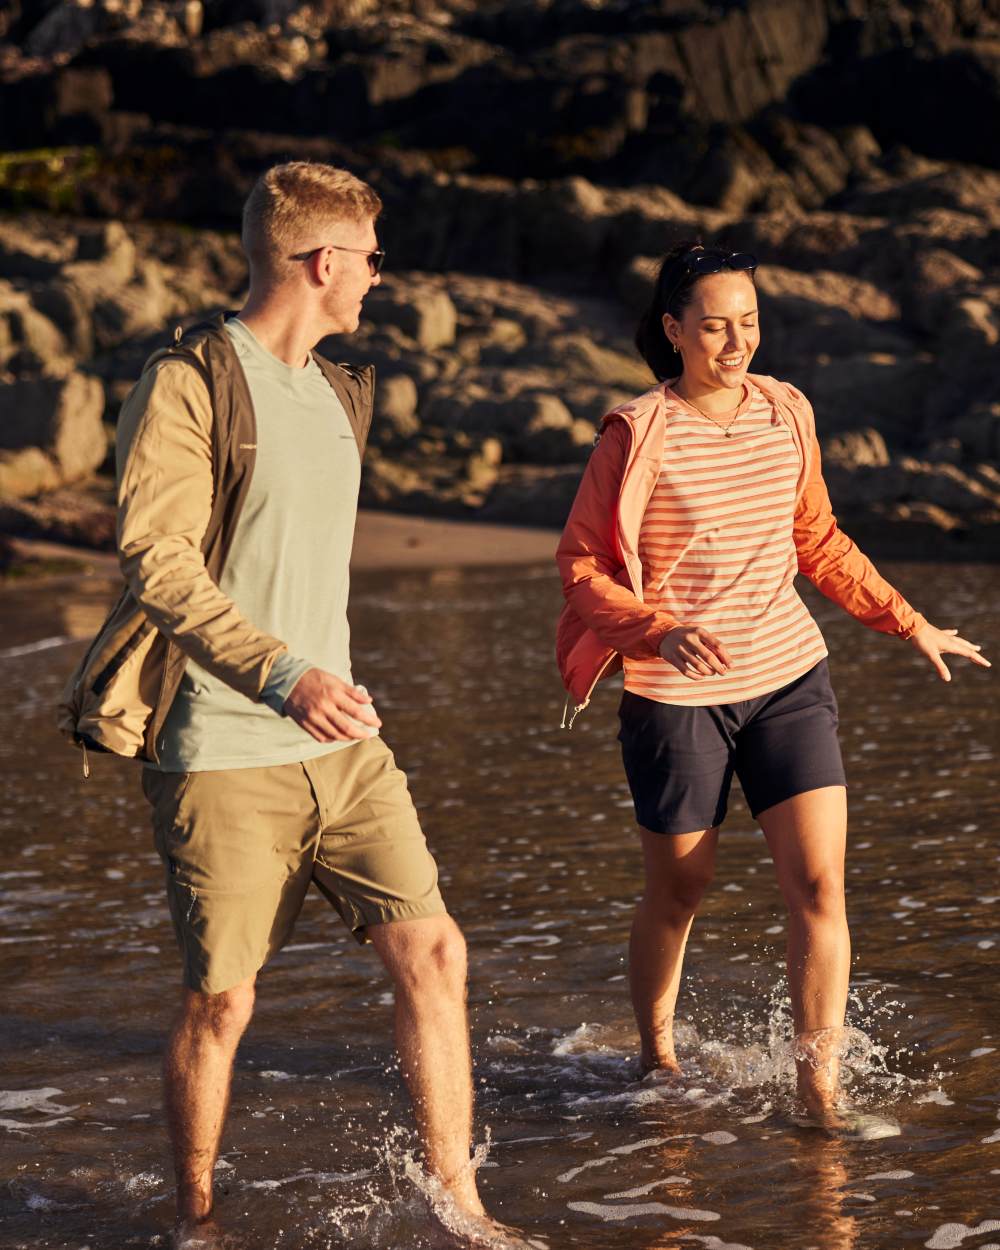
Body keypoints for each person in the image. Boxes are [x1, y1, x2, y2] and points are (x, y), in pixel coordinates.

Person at [59, 162, 496, 1246]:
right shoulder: (190, 380)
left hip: (344, 744)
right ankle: (197, 1218)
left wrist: (324, 682)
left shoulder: (338, 391)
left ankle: (462, 1209)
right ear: (321, 261)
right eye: (371, 261)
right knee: (225, 1003)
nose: (380, 282)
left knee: (434, 952)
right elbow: (156, 559)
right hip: (222, 744)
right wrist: (282, 672)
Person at [554, 242, 990, 1136]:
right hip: (676, 697)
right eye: (714, 326)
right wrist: (659, 630)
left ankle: (816, 1090)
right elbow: (582, 568)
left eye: (748, 323)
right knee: (681, 889)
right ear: (673, 330)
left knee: (820, 887)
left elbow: (816, 539)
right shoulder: (637, 432)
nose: (735, 342)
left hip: (790, 675)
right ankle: (657, 1055)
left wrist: (907, 619)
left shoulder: (787, 409)